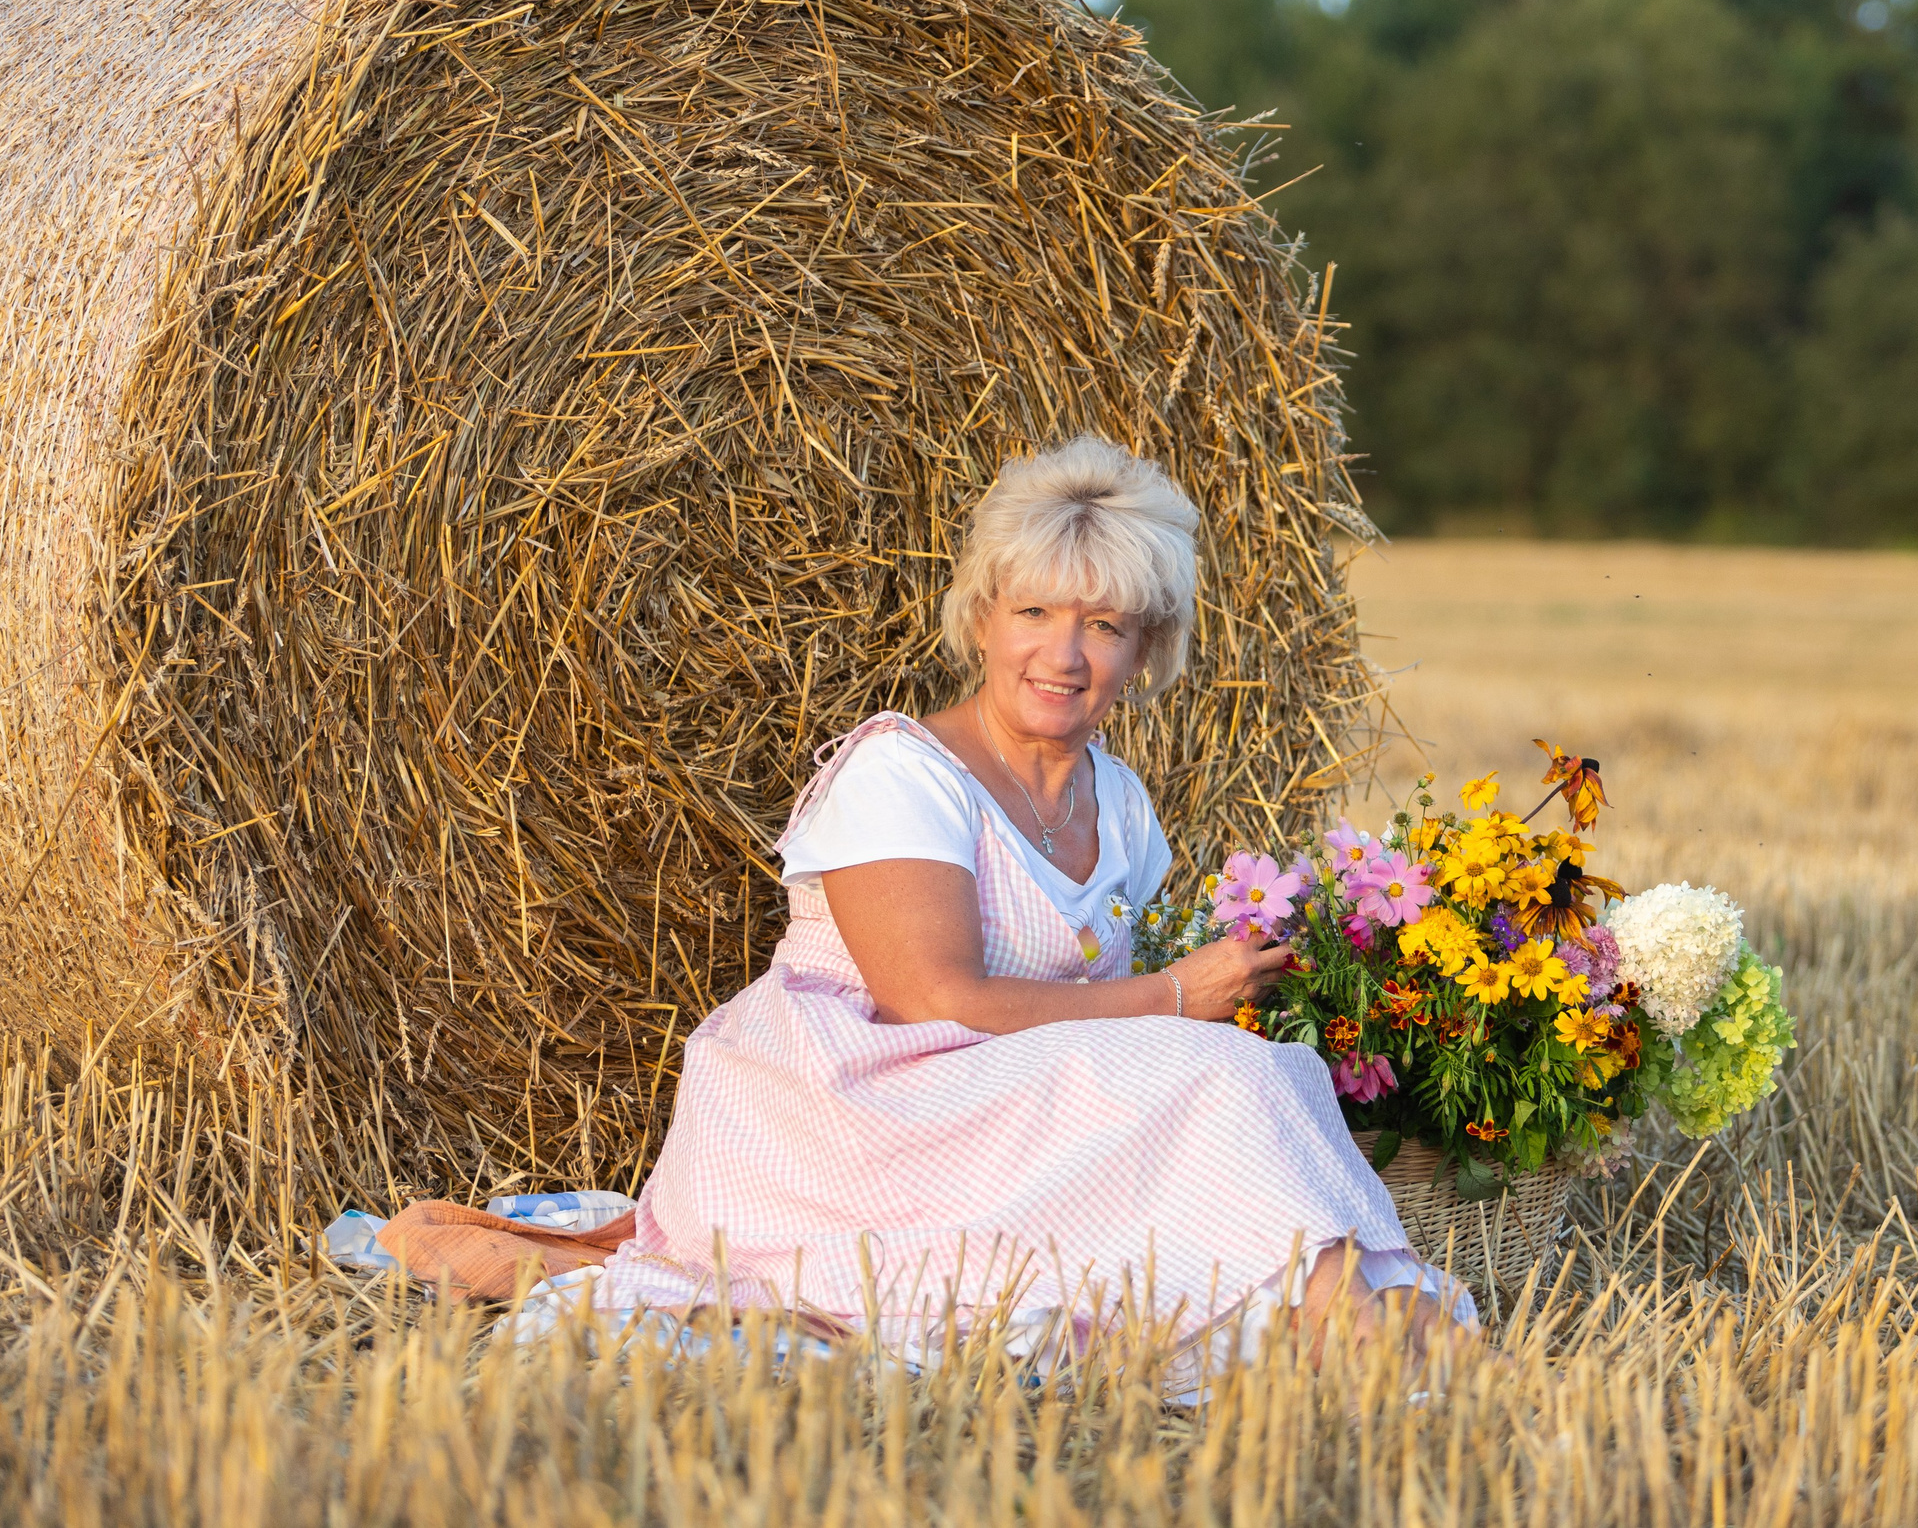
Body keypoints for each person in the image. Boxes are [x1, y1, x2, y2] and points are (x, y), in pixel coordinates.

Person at [543, 436, 1473, 1385]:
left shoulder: (1122, 805)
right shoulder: (900, 773)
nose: (1062, 655)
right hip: (847, 1112)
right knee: (1224, 1072)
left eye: (1103, 624)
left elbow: (1112, 1039)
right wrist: (1173, 996)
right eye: (1033, 611)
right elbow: (931, 995)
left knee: (1275, 1068)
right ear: (982, 618)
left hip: (1009, 1113)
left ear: (1146, 646)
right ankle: (1367, 1329)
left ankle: (1352, 1313)